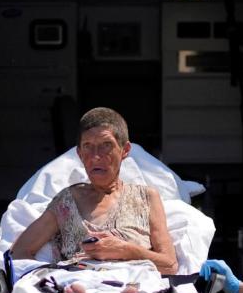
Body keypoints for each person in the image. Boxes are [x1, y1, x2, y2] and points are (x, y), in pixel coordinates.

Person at [12, 107, 178, 275]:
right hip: (77, 291)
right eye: (88, 146)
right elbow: (20, 252)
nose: (96, 156)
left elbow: (170, 265)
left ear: (125, 150)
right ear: (79, 154)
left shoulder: (146, 198)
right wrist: (48, 281)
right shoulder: (67, 202)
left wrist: (125, 250)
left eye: (106, 146)